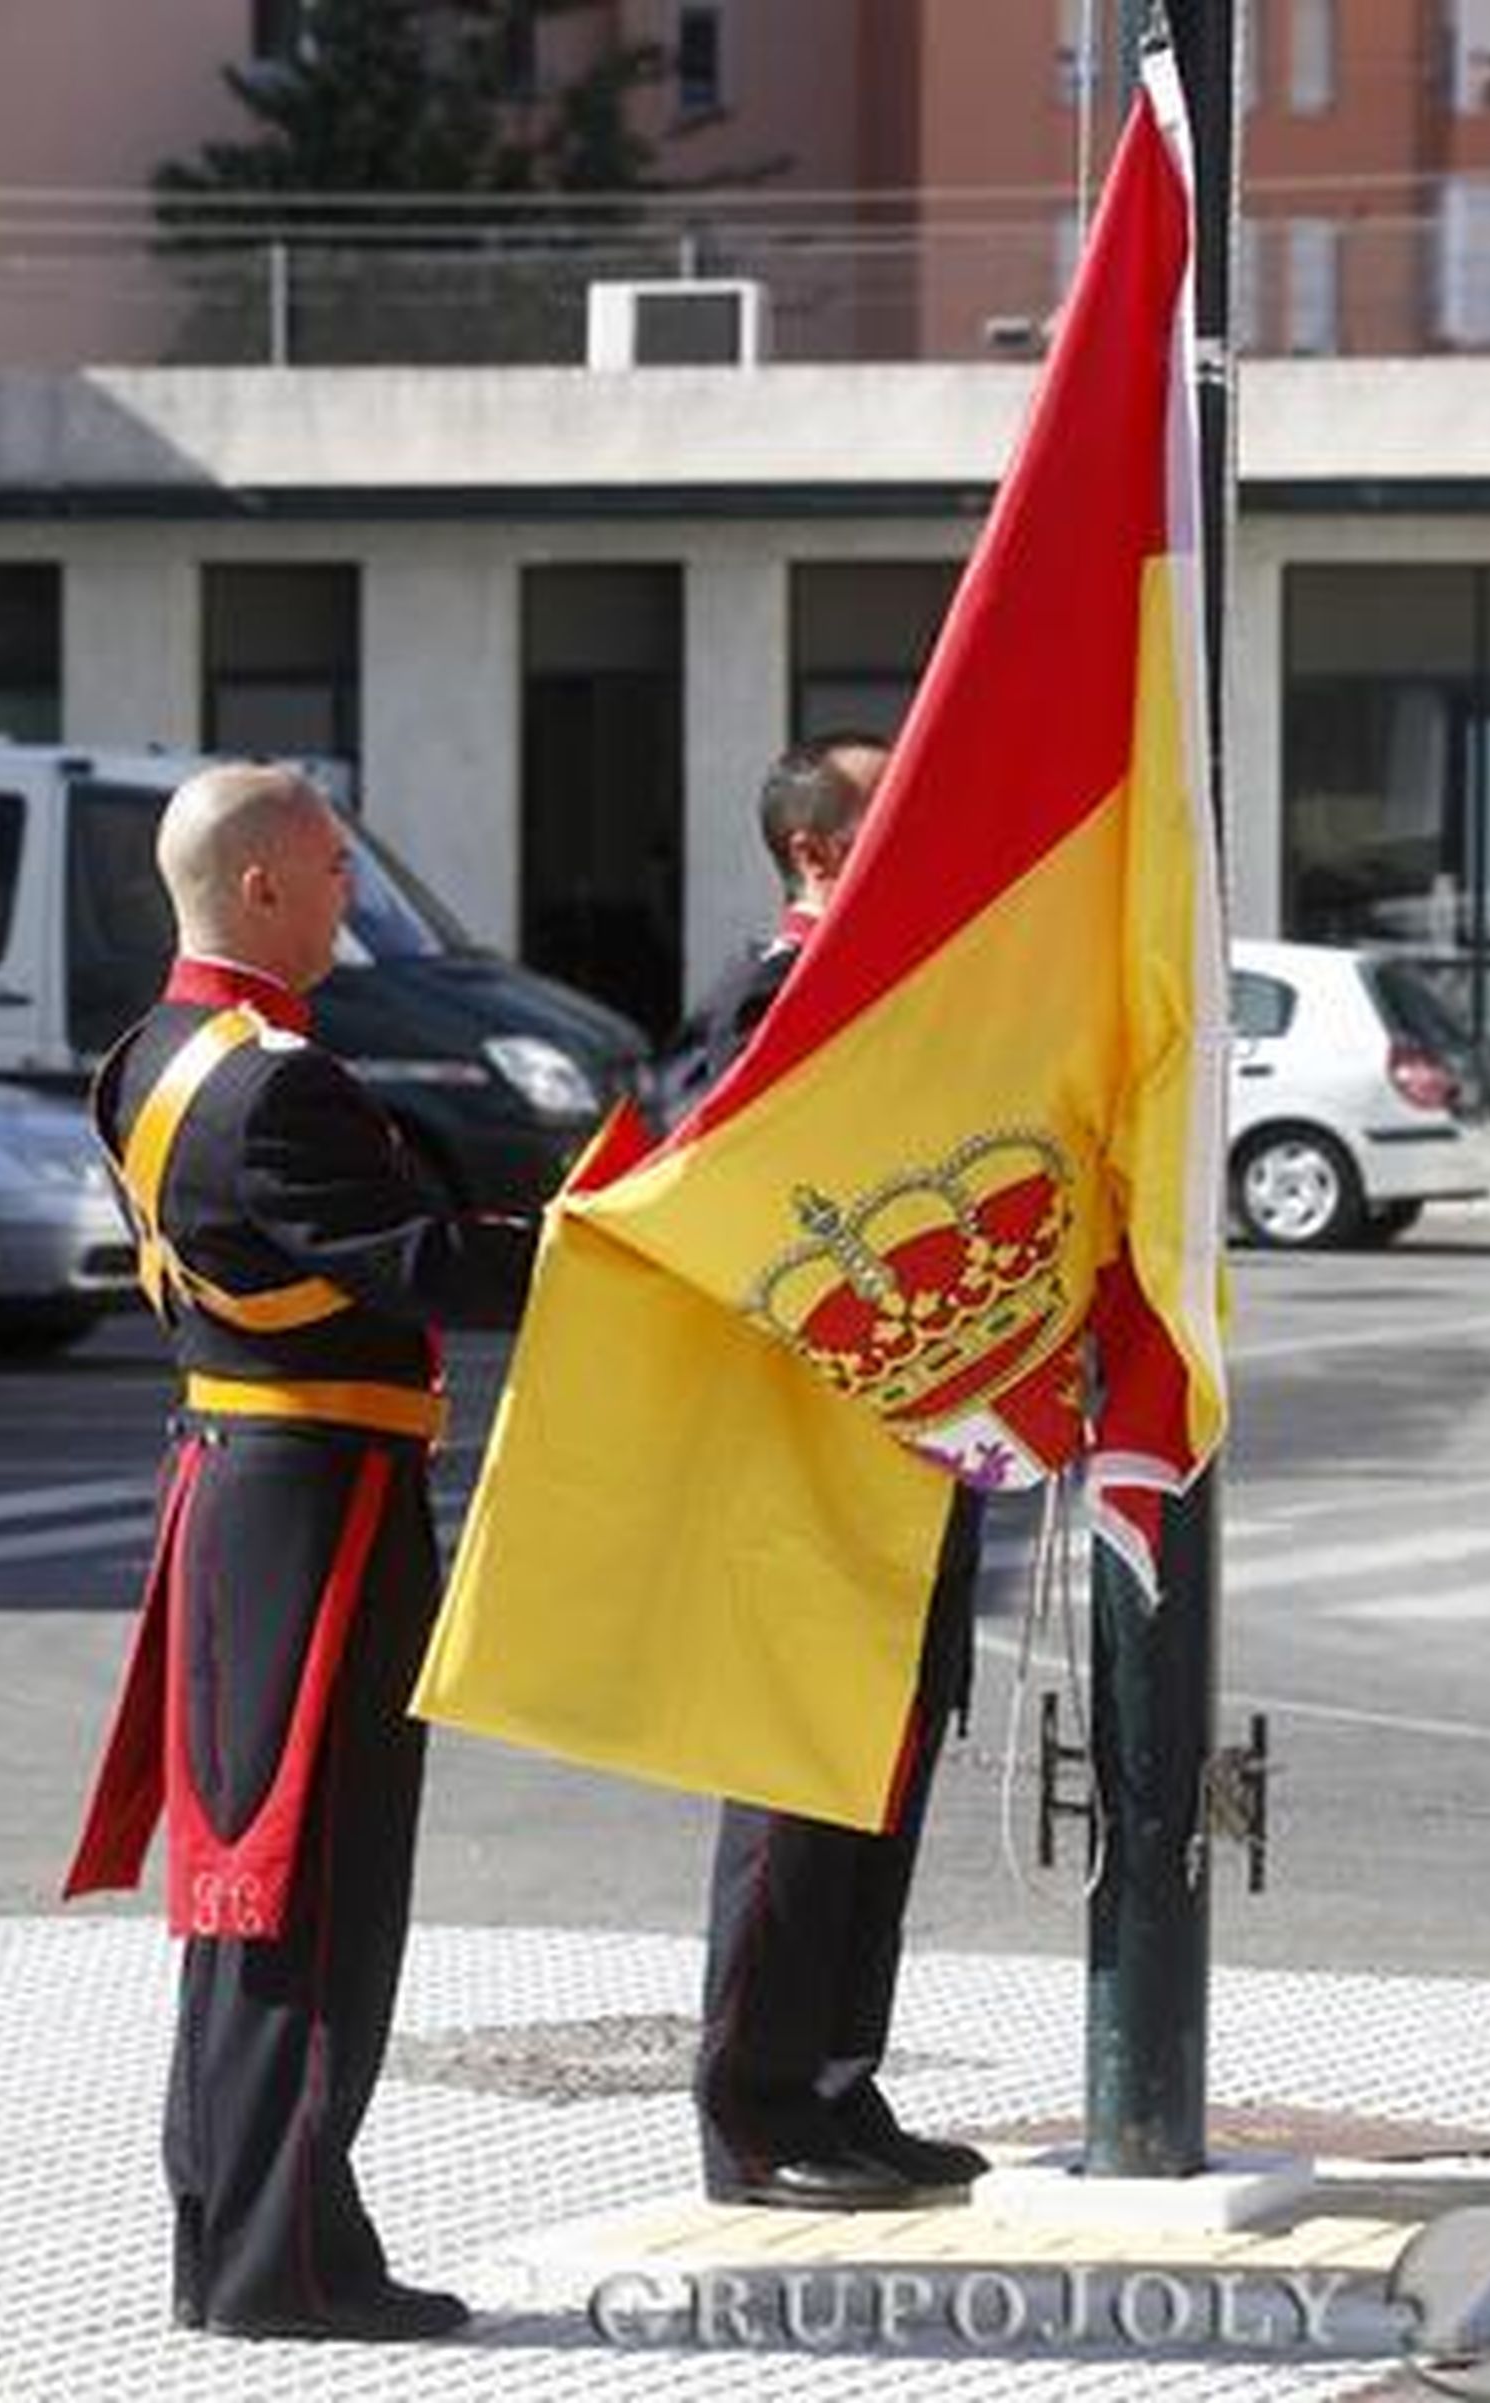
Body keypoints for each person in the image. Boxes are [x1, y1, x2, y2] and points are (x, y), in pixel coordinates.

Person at [63, 763, 537, 2342]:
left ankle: (234, 2233)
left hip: (236, 1478)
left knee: (244, 1890)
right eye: (334, 868)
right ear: (262, 886)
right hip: (317, 1499)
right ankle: (293, 2268)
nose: (350, 892)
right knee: (317, 1887)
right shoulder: (277, 1083)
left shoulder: (152, 1055)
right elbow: (417, 1268)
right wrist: (608, 1237)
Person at [680, 734, 989, 2211]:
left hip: (906, 1450)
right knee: (797, 1798)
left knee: (883, 1781)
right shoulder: (769, 989)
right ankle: (752, 2120)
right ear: (814, 851)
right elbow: (712, 1182)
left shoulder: (890, 988)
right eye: (894, 817)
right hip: (802, 1464)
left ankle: (836, 2090)